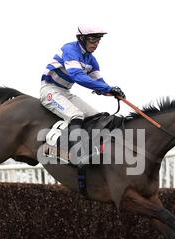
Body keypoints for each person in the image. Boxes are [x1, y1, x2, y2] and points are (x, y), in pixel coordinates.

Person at [40, 25, 125, 165]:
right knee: (76, 115)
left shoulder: (91, 60)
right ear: (81, 38)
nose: (96, 44)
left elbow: (98, 82)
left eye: (98, 40)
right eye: (92, 40)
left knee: (98, 116)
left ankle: (95, 148)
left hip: (65, 92)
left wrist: (112, 92)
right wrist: (106, 88)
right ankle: (75, 154)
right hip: (49, 90)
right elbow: (77, 76)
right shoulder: (70, 49)